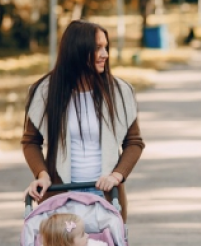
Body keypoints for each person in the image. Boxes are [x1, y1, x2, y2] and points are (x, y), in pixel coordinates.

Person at [22, 20, 145, 222]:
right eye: (98, 48)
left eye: (106, 47)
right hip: (60, 194)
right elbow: (30, 141)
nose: (105, 54)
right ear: (77, 50)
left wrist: (116, 176)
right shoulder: (46, 92)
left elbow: (134, 142)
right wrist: (42, 174)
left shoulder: (120, 92)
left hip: (105, 195)